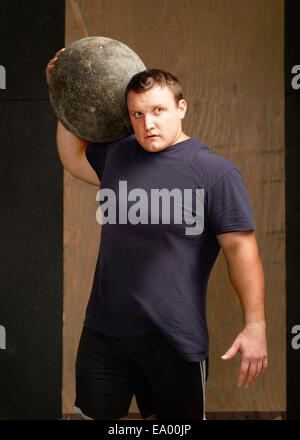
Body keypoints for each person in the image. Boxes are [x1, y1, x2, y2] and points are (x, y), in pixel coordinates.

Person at [46, 50, 268, 421]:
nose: (148, 123)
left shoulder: (215, 173)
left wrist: (255, 326)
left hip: (174, 339)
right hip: (104, 334)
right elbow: (71, 156)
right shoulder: (117, 156)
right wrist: (65, 87)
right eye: (138, 114)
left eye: (158, 111)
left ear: (181, 108)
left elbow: (241, 252)